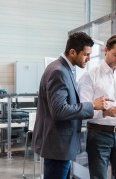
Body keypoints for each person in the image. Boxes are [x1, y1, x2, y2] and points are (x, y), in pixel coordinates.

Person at [31, 32, 110, 179]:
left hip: (60, 145)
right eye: (86, 54)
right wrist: (92, 105)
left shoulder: (63, 69)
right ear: (72, 52)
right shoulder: (58, 72)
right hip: (58, 146)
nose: (88, 58)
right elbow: (59, 111)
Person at [78, 34, 116, 179]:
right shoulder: (89, 76)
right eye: (115, 55)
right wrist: (105, 113)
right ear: (106, 50)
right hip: (99, 135)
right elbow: (83, 110)